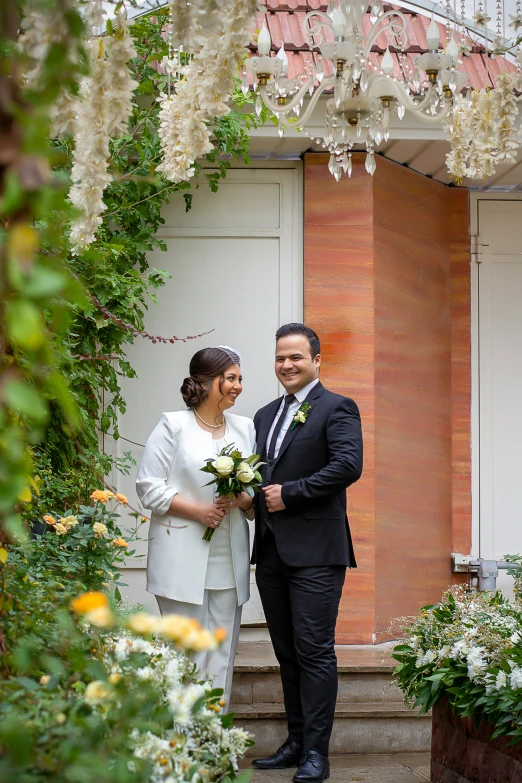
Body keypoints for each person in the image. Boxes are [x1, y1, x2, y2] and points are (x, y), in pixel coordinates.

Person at [251, 324, 363, 783]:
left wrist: (290, 494)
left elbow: (348, 465)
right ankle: (295, 742)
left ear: (317, 361)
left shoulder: (337, 407)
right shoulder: (262, 415)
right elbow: (257, 476)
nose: (287, 365)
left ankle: (317, 753)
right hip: (272, 551)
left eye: (296, 357)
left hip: (317, 551)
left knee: (315, 651)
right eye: (280, 357)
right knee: (287, 652)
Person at [136, 346, 255, 708]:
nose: (237, 386)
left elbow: (253, 494)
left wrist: (242, 499)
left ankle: (215, 747)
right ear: (206, 382)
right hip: (180, 559)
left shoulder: (244, 427)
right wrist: (199, 512)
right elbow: (148, 486)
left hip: (228, 560)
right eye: (230, 378)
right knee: (186, 658)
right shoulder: (173, 425)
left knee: (221, 657)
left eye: (239, 379)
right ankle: (184, 752)